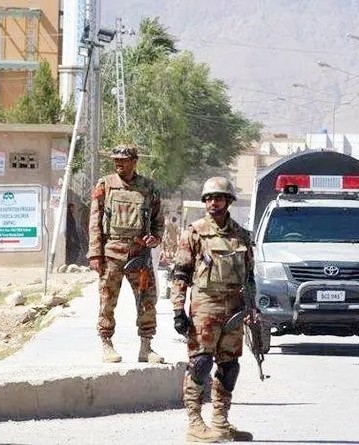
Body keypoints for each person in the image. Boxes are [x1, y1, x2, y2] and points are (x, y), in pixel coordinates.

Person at [170, 176, 255, 443]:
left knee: (229, 366)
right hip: (205, 307)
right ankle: (195, 424)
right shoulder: (194, 232)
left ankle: (220, 421)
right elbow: (180, 273)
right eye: (208, 199)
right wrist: (178, 309)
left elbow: (249, 277)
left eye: (218, 198)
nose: (213, 203)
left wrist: (252, 308)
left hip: (234, 309)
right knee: (201, 363)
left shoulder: (241, 235)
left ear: (228, 201)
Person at [87, 143, 165, 364]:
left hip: (139, 256)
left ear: (134, 162)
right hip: (111, 255)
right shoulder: (105, 185)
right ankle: (106, 344)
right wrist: (95, 254)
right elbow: (95, 221)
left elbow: (158, 220)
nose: (118, 163)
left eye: (123, 160)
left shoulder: (148, 187)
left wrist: (155, 238)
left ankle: (146, 347)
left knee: (147, 301)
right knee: (107, 302)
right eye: (116, 160)